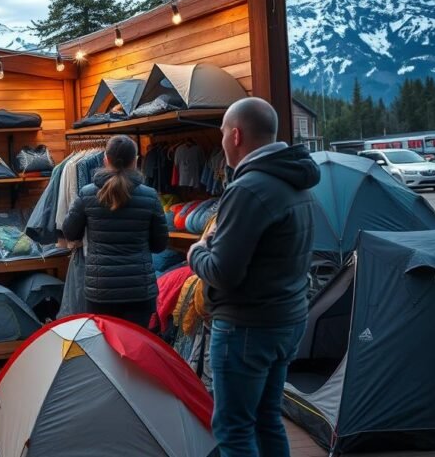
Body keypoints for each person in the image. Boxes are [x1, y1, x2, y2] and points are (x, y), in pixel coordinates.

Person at [188, 97, 320, 457]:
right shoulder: (296, 180)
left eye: (221, 134)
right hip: (286, 319)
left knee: (233, 430)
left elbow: (222, 273)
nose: (221, 143)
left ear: (235, 136)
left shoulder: (248, 189)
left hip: (246, 328)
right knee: (267, 419)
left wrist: (196, 251)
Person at [62, 135, 168, 327]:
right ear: (135, 161)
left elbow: (70, 233)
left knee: (104, 343)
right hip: (139, 289)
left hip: (100, 290)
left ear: (105, 159)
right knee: (137, 343)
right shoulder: (150, 196)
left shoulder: (87, 194)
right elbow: (160, 244)